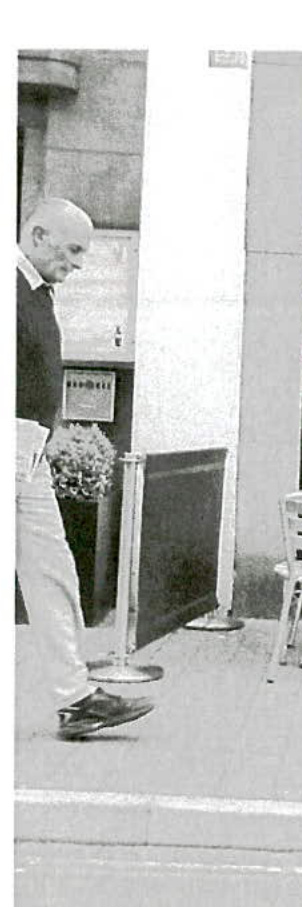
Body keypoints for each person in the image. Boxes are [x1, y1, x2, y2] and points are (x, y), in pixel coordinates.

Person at [17, 197, 153, 740]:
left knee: (54, 575)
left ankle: (75, 700)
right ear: (39, 234)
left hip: (28, 451)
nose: (78, 262)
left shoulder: (36, 294)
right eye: (72, 249)